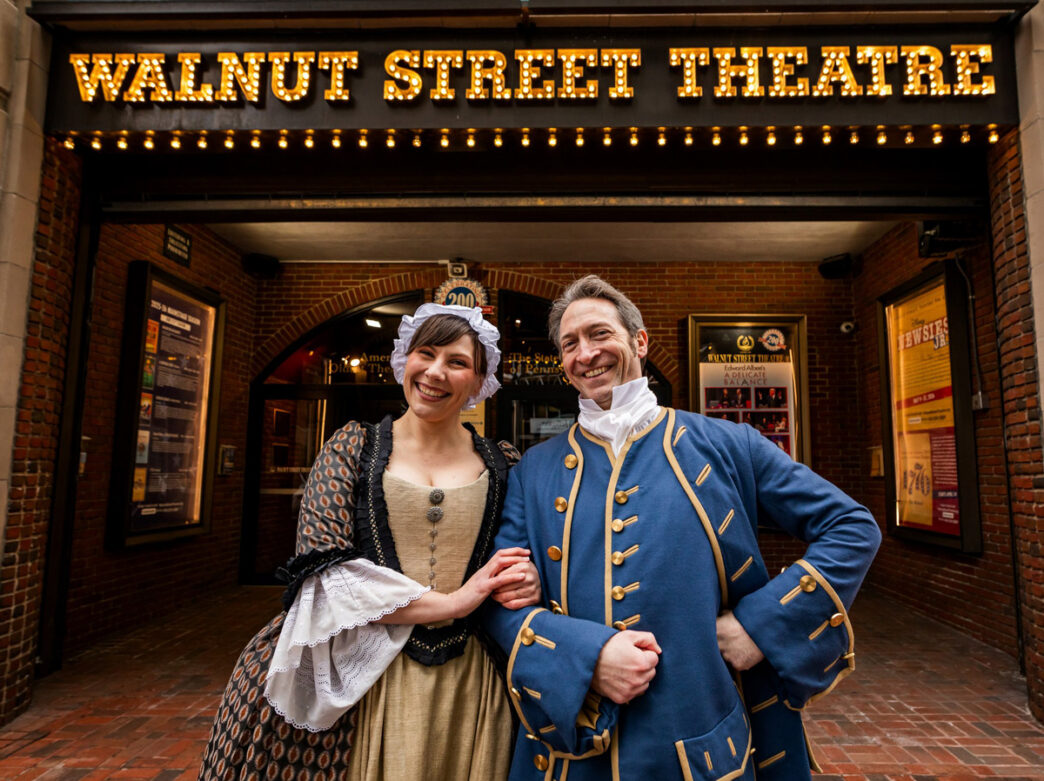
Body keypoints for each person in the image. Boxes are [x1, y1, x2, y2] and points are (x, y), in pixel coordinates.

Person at [484, 275, 881, 781]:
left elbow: (851, 526)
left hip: (700, 743)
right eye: (570, 344)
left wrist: (759, 624)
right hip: (572, 749)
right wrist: (588, 658)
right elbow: (502, 606)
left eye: (600, 334)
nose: (586, 353)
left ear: (639, 341)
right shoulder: (533, 470)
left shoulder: (727, 443)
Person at [200, 303, 541, 781]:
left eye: (457, 362)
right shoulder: (351, 448)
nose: (436, 372)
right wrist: (455, 601)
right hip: (362, 672)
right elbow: (323, 575)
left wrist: (526, 576)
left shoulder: (506, 463)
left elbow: (531, 554)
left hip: (476, 678)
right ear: (405, 360)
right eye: (426, 353)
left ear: (480, 381)